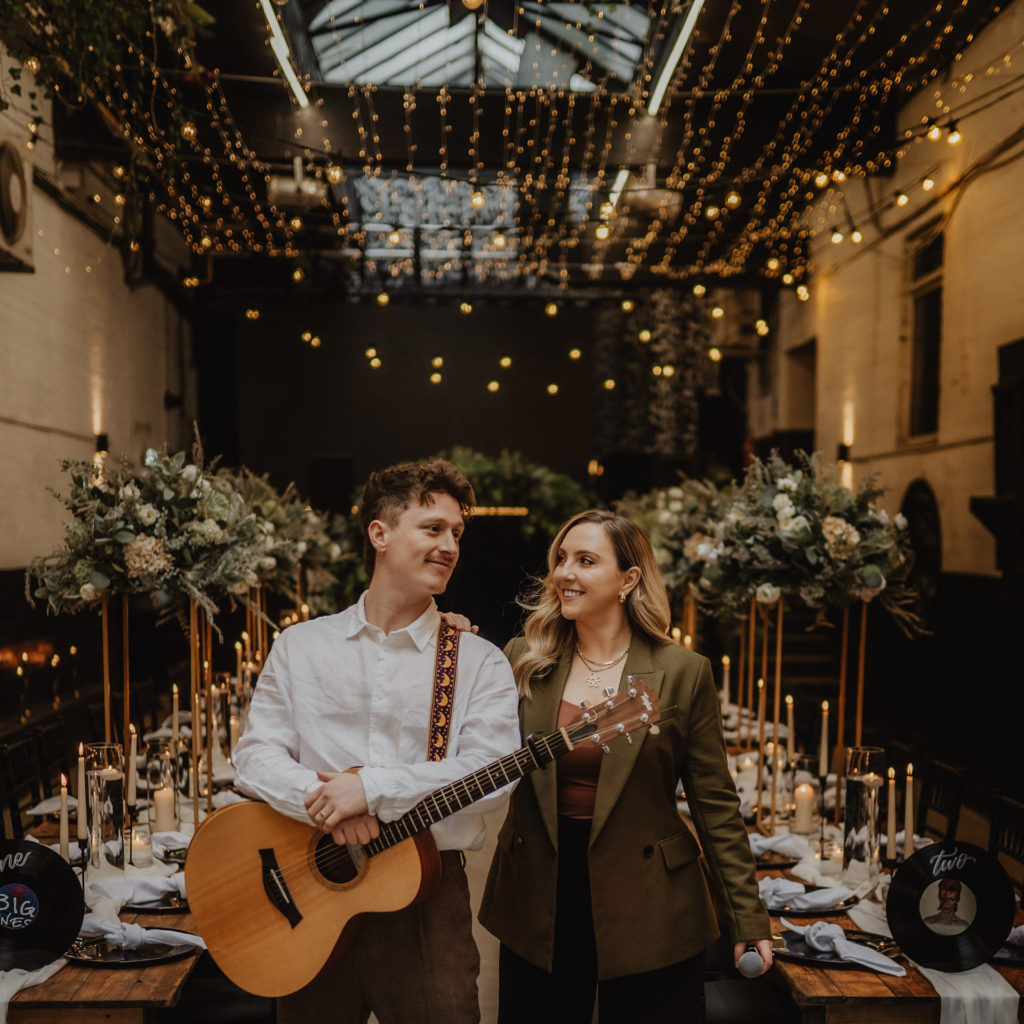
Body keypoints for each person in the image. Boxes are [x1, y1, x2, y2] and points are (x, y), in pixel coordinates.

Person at [233, 458, 521, 1024]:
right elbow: (254, 757)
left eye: (457, 533)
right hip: (306, 892)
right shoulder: (301, 646)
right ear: (380, 533)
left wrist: (369, 790)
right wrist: (327, 808)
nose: (449, 545)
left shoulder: (478, 660)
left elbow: (494, 772)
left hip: (426, 901)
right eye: (433, 528)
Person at [479, 509, 773, 1023]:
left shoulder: (683, 672)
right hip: (539, 889)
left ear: (628, 579)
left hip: (651, 896)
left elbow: (716, 805)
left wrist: (747, 917)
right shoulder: (524, 658)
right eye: (562, 559)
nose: (565, 573)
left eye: (586, 561)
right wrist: (451, 639)